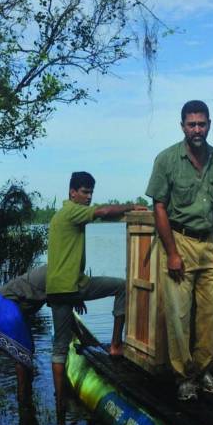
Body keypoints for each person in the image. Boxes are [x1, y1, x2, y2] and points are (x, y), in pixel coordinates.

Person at [145, 100, 213, 401]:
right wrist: (171, 252)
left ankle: (201, 370)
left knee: (210, 314)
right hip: (178, 241)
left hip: (209, 243)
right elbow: (158, 206)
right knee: (179, 316)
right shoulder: (167, 159)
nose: (197, 129)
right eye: (191, 124)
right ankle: (184, 376)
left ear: (210, 123)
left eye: (202, 123)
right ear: (182, 125)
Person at [46, 171, 144, 411]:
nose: (89, 197)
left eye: (91, 192)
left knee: (59, 347)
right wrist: (131, 206)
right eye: (85, 192)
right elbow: (102, 212)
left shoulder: (60, 215)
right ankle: (115, 345)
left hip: (58, 290)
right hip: (74, 286)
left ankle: (59, 403)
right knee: (122, 286)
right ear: (72, 192)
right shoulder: (72, 211)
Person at [0, 264, 127, 403]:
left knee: (26, 353)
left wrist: (82, 339)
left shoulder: (57, 274)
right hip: (8, 306)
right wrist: (82, 336)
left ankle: (26, 399)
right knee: (23, 356)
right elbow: (66, 316)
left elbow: (65, 315)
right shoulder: (56, 278)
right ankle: (23, 400)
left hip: (8, 304)